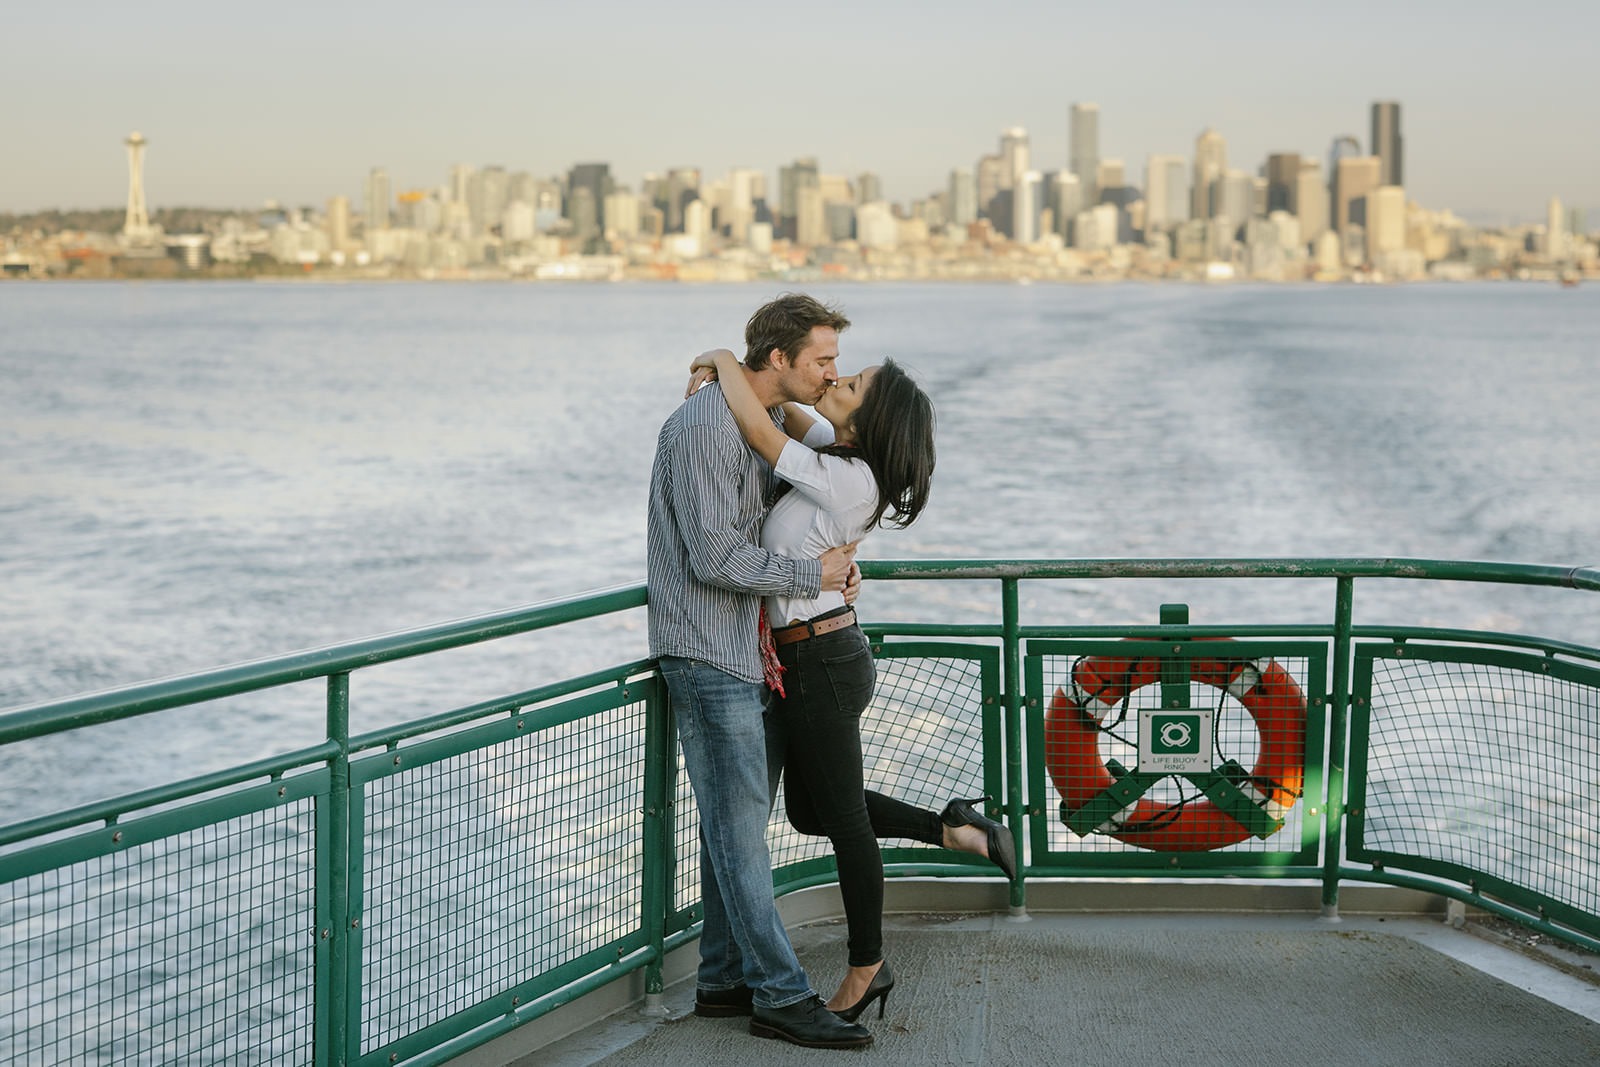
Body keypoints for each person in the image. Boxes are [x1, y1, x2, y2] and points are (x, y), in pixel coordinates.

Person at [685, 342, 1017, 1025]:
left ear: (872, 422)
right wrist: (796, 385)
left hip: (821, 663)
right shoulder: (837, 461)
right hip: (811, 655)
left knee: (843, 824)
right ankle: (949, 827)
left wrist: (722, 358)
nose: (837, 376)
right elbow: (791, 410)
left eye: (854, 381)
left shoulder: (849, 478)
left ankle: (867, 964)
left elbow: (759, 428)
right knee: (813, 812)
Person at [647, 293, 873, 1050]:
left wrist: (716, 354)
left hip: (746, 651)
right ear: (779, 358)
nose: (831, 372)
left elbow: (803, 497)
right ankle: (779, 994)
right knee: (742, 835)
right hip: (709, 653)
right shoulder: (707, 427)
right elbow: (714, 557)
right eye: (822, 361)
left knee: (732, 828)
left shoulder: (765, 420)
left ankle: (721, 979)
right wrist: (812, 572)